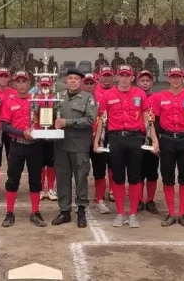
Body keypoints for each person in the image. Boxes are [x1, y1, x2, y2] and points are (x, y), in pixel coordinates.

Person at [93, 64, 150, 228]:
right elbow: (101, 121)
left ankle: (132, 214)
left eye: (127, 75)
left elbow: (147, 118)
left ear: (132, 78)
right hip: (115, 139)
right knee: (117, 178)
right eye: (121, 75)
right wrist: (97, 141)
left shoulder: (140, 94)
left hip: (135, 138)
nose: (124, 78)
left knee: (135, 177)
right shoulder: (107, 95)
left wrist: (153, 140)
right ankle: (120, 213)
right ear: (116, 77)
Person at [150, 67, 184, 228]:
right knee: (167, 177)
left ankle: (183, 213)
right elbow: (156, 122)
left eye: (178, 77)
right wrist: (156, 141)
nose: (175, 80)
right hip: (167, 139)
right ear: (168, 78)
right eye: (173, 77)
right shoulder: (160, 97)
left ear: (183, 78)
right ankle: (171, 213)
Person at [0, 71, 47, 228]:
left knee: (35, 180)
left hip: (35, 145)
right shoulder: (8, 101)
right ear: (14, 84)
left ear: (29, 83)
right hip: (17, 144)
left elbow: (46, 120)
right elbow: (5, 125)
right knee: (13, 178)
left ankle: (35, 212)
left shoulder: (38, 100)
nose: (21, 84)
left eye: (24, 81)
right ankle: (9, 212)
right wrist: (22, 133)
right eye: (18, 81)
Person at [51, 69, 98, 228]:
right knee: (63, 179)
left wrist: (68, 123)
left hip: (79, 146)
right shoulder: (59, 97)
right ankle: (64, 211)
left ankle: (81, 211)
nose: (72, 81)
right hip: (61, 145)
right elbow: (51, 117)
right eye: (70, 78)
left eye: (76, 79)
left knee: (81, 179)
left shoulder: (88, 98)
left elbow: (90, 120)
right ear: (66, 80)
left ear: (81, 82)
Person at [91, 65, 115, 210]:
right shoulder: (92, 91)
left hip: (110, 133)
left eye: (109, 75)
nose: (106, 78)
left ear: (113, 76)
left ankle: (112, 189)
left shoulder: (117, 92)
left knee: (112, 163)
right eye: (104, 75)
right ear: (99, 76)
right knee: (97, 167)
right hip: (93, 133)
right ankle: (98, 196)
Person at [136, 70, 159, 214]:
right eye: (142, 80)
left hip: (152, 137)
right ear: (137, 82)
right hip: (137, 137)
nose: (145, 83)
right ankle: (138, 199)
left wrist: (157, 139)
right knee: (137, 170)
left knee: (152, 171)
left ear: (152, 82)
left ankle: (150, 200)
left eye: (148, 80)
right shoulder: (134, 96)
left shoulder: (157, 97)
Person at [0, 67, 15, 199]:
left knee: (12, 159)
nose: (4, 78)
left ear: (9, 78)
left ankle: (12, 185)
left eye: (6, 76)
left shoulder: (14, 92)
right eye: (1, 76)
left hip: (11, 129)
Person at [35, 76, 58, 201]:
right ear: (39, 86)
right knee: (39, 163)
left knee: (50, 163)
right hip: (39, 134)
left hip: (51, 134)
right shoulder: (36, 99)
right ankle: (40, 189)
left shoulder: (55, 100)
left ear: (51, 86)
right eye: (43, 85)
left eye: (47, 85)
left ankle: (50, 188)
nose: (45, 87)